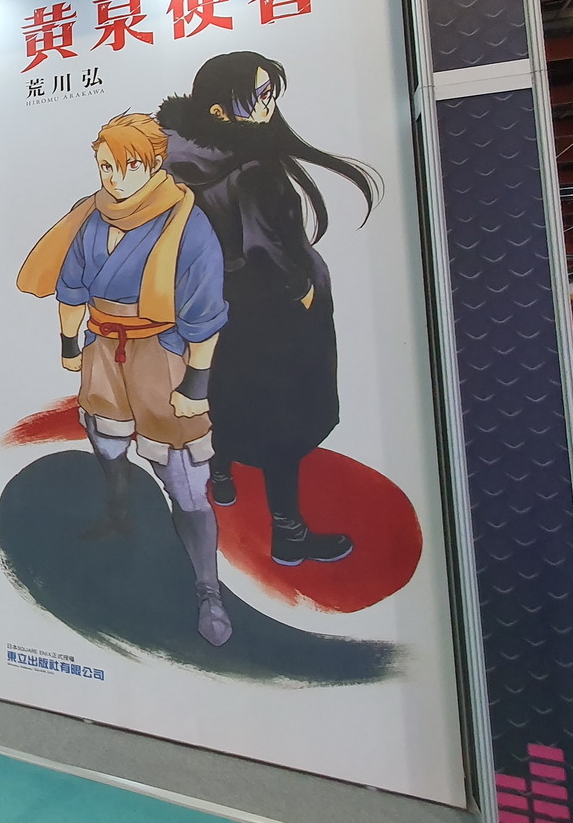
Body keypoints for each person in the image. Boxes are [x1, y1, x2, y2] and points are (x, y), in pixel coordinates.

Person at [157, 51, 379, 568]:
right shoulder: (254, 168)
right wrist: (302, 290)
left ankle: (222, 475)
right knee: (285, 420)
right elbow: (266, 248)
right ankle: (289, 534)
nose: (269, 104)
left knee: (225, 395)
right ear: (219, 110)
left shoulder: (176, 157)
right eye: (258, 95)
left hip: (208, 305)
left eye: (269, 92)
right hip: (271, 312)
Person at [21, 113, 233, 646]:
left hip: (161, 351)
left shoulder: (186, 224)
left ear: (155, 164)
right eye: (105, 166)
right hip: (102, 346)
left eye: (127, 166)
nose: (113, 178)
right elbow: (71, 285)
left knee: (182, 471)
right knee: (105, 437)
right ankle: (119, 512)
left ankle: (208, 589)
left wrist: (197, 384)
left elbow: (204, 311)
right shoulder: (91, 217)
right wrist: (70, 344)